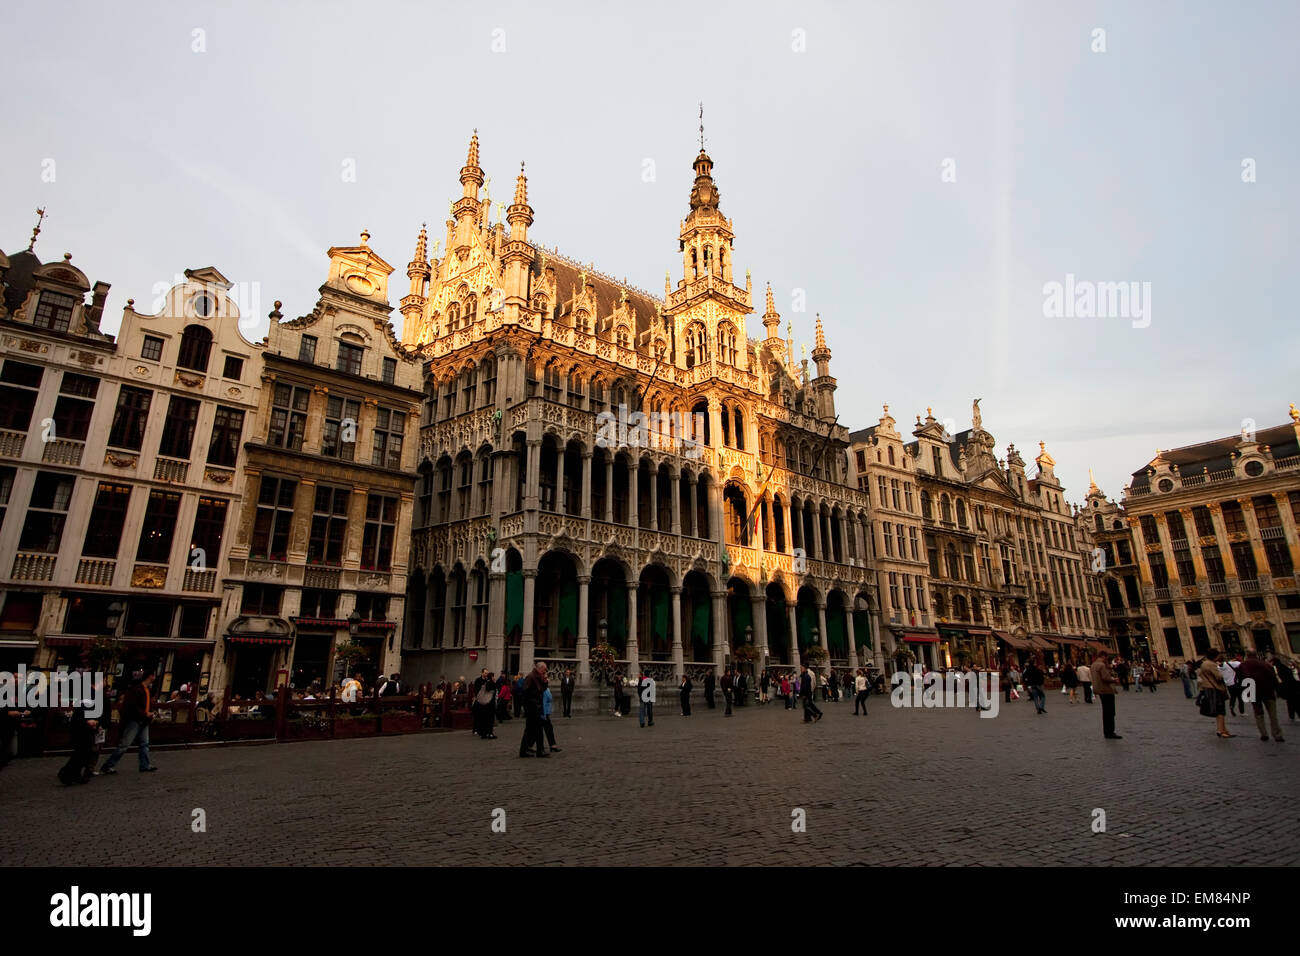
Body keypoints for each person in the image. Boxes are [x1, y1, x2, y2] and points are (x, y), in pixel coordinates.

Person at [100, 673, 159, 774]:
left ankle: (145, 765)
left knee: (144, 743)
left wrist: (149, 713)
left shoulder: (145, 690)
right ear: (150, 676)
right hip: (136, 720)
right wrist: (146, 713)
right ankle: (108, 765)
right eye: (153, 675)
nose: (154, 677)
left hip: (143, 720)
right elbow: (134, 706)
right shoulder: (138, 690)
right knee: (125, 744)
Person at [58, 677, 102, 785]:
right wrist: (90, 720)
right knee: (82, 751)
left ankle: (75, 774)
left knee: (83, 751)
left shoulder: (88, 692)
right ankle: (66, 773)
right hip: (82, 726)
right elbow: (84, 708)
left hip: (82, 725)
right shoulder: (89, 692)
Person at [1237, 649, 1284, 743]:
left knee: (1258, 713)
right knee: (1272, 714)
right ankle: (1277, 734)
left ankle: (1263, 734)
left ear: (1247, 655)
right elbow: (1273, 678)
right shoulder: (1265, 664)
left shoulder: (1243, 665)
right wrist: (1278, 690)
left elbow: (1240, 679)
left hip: (1253, 690)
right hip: (1268, 691)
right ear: (1256, 654)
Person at [518, 662, 549, 758]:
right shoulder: (531, 677)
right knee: (536, 730)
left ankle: (526, 750)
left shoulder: (537, 677)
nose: (545, 672)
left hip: (536, 707)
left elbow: (541, 690)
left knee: (532, 730)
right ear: (540, 669)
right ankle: (539, 750)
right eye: (544, 670)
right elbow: (525, 692)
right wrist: (529, 706)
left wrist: (545, 681)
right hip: (532, 708)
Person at [1199, 651, 1232, 739]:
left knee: (1218, 710)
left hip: (1208, 688)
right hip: (1215, 688)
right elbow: (1219, 676)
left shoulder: (1204, 663)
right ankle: (1221, 730)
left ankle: (1222, 729)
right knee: (1220, 710)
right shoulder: (1211, 664)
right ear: (1214, 656)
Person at [1093, 653, 1121, 740]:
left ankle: (1107, 731)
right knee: (1110, 711)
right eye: (1106, 658)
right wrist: (1114, 680)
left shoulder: (1093, 665)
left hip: (1100, 690)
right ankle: (1110, 732)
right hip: (1107, 690)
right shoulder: (1102, 665)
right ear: (1103, 656)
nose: (1107, 660)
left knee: (1105, 711)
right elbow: (1105, 677)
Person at [1274, 656, 1299, 721]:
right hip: (1291, 688)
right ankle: (1292, 716)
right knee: (1293, 702)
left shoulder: (1281, 668)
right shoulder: (1282, 668)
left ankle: (1292, 716)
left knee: (1292, 702)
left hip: (1290, 688)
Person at [540, 681, 560, 753]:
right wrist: (544, 715)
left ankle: (552, 745)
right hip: (544, 714)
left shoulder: (547, 690)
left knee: (549, 729)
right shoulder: (544, 691)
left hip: (547, 713)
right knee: (539, 731)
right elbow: (544, 703)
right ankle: (550, 746)